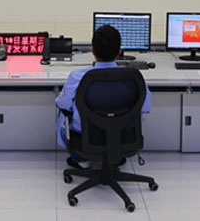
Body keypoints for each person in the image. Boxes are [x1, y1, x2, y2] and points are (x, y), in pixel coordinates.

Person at [55, 25, 151, 165]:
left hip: (87, 138)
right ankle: (116, 154)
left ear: (92, 51)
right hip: (123, 136)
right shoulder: (133, 78)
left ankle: (81, 160)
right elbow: (145, 107)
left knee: (63, 112)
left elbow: (62, 103)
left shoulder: (78, 77)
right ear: (119, 51)